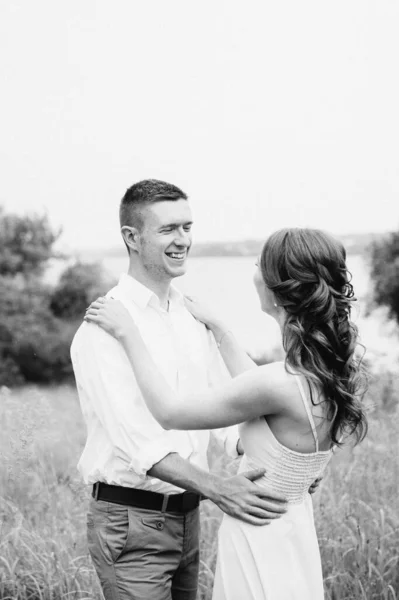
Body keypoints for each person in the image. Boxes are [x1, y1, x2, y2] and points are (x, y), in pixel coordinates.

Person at [85, 227, 368, 600]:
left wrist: (128, 334)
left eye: (257, 264)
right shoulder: (320, 376)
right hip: (291, 531)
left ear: (277, 286)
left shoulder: (276, 383)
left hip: (257, 536)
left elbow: (169, 412)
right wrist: (220, 329)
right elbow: (263, 393)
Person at [70, 179, 290, 600]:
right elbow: (136, 441)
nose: (183, 240)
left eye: (187, 227)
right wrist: (218, 487)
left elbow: (221, 413)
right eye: (169, 229)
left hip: (190, 518)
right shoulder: (103, 328)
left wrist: (271, 457)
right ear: (131, 238)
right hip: (132, 523)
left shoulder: (191, 318)